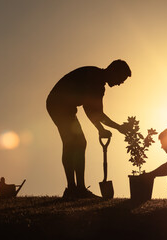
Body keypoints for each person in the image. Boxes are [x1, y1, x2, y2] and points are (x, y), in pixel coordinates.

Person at [46, 60, 131, 199]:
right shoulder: (94, 77)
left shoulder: (100, 86)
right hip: (57, 104)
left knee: (79, 143)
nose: (120, 83)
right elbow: (88, 109)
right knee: (74, 143)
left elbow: (98, 114)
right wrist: (100, 129)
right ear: (113, 71)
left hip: (67, 108)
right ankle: (75, 189)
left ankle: (76, 189)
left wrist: (118, 127)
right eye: (121, 79)